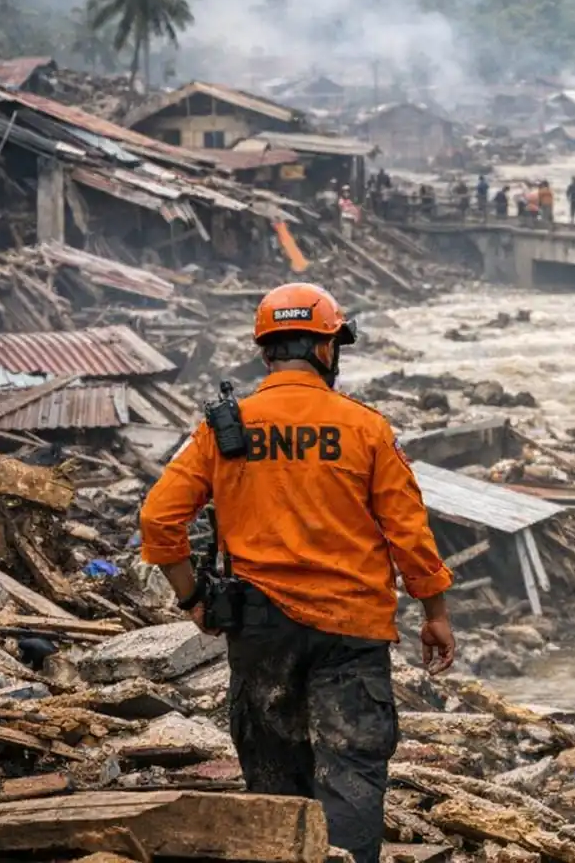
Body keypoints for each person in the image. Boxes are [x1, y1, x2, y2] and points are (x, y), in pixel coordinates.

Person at [138, 283, 456, 863]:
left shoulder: (225, 427)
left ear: (266, 354)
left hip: (259, 628)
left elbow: (159, 519)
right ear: (327, 350)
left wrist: (193, 600)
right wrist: (434, 613)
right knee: (351, 770)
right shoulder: (365, 428)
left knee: (274, 778)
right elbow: (409, 534)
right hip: (353, 632)